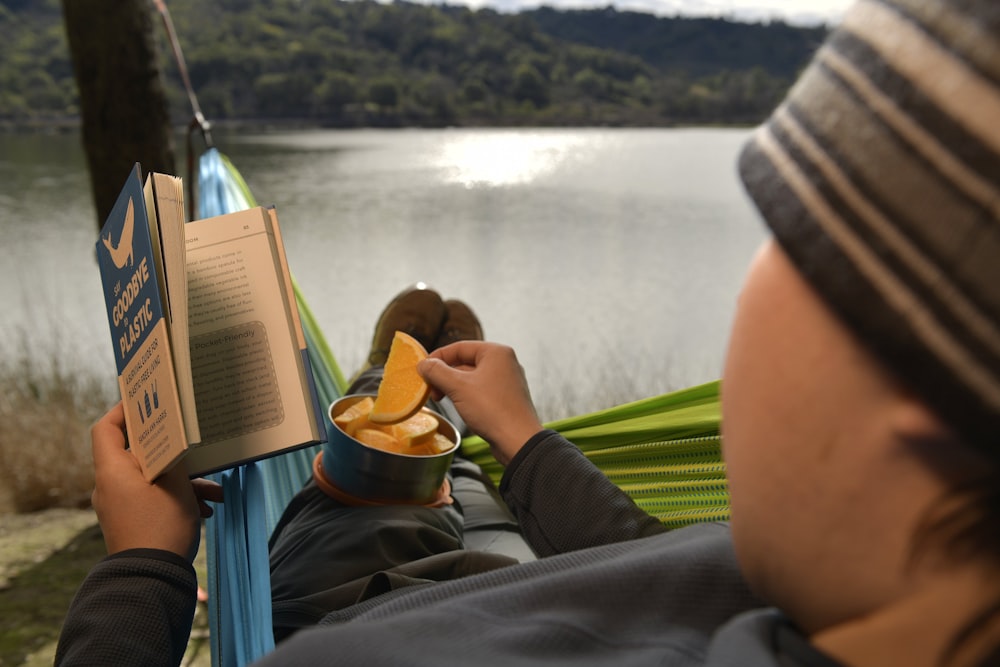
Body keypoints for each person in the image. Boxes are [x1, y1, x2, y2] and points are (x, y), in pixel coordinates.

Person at [56, 0, 1000, 665]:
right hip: (510, 536)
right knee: (458, 467)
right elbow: (640, 547)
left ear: (914, 419)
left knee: (376, 483)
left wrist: (141, 567)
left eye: (786, 233)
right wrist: (526, 435)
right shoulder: (772, 583)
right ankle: (433, 418)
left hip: (356, 586)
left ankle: (395, 385)